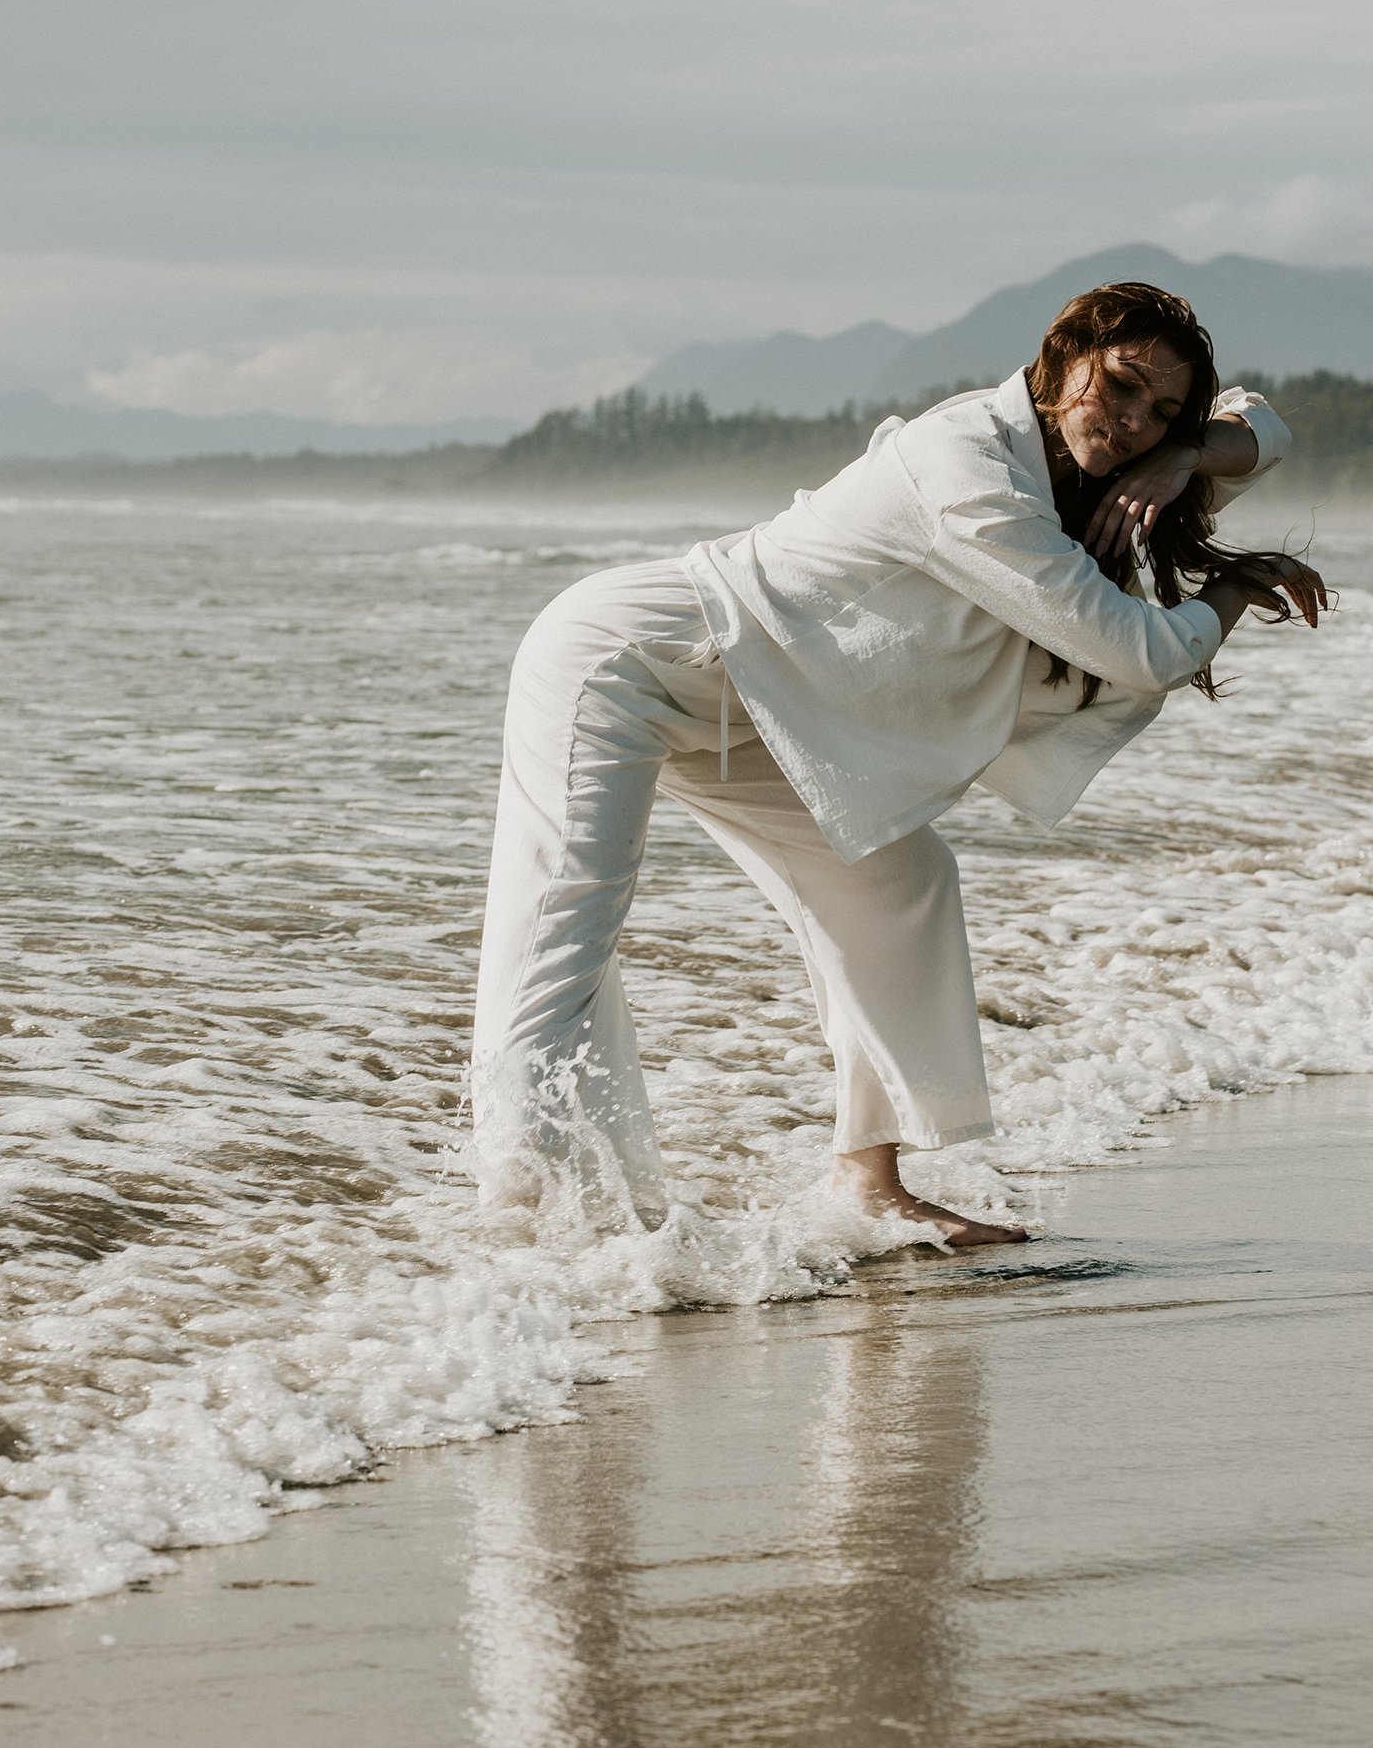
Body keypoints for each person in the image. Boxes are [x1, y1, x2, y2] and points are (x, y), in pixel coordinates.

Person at [471, 280, 1327, 1247]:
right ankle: (520, 1220)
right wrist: (1238, 587)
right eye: (1120, 386)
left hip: (767, 703)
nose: (1131, 422)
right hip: (630, 661)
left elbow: (1266, 424)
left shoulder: (1105, 464)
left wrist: (1183, 455)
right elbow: (1144, 652)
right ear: (1058, 360)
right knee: (561, 932)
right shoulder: (966, 465)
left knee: (903, 883)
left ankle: (865, 1184)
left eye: (1162, 410)